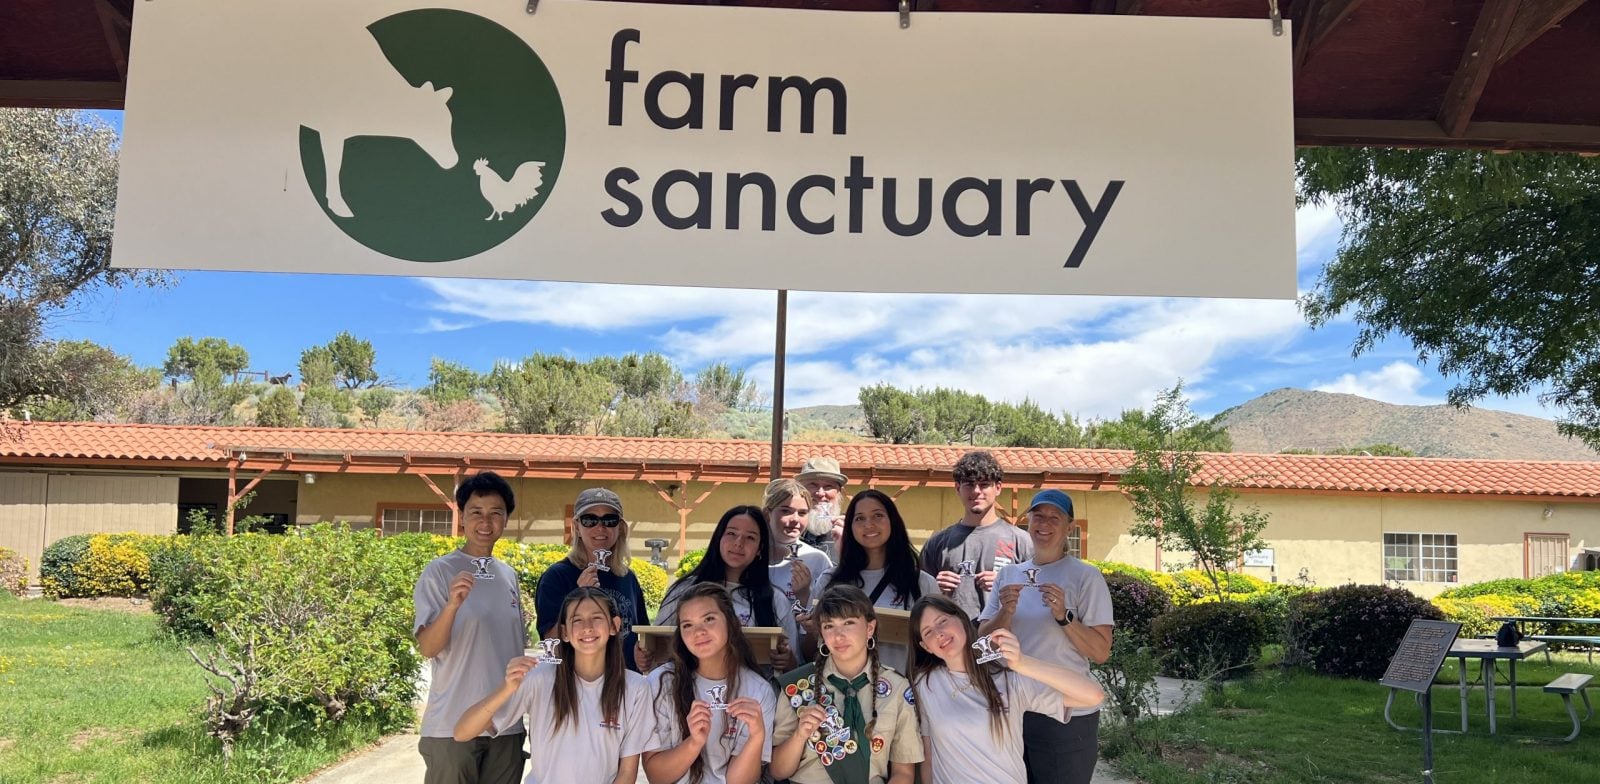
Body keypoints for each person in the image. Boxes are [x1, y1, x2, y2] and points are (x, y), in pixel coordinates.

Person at [977, 489, 1114, 784]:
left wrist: (1064, 616)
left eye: (1055, 517)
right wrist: (1006, 613)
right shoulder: (1008, 575)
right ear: (1028, 521)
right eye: (1038, 516)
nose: (1044, 524)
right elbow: (982, 646)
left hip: (1067, 714)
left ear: (1069, 527)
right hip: (1013, 710)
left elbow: (1101, 652)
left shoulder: (1086, 577)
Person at [454, 587, 656, 783]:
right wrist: (506, 688)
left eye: (597, 618)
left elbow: (627, 772)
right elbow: (462, 732)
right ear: (564, 632)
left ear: (614, 625)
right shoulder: (539, 678)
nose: (587, 627)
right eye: (577, 620)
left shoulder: (636, 688)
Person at [908, 595, 1105, 784]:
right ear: (926, 647)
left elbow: (1093, 695)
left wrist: (1023, 663)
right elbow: (929, 754)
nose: (938, 633)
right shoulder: (925, 684)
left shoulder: (1008, 678)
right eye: (928, 632)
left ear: (961, 618)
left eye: (942, 621)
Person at [412, 470, 527, 784]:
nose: (485, 522)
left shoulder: (508, 575)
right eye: (476, 512)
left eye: (496, 513)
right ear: (462, 517)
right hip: (451, 726)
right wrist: (452, 605)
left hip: (505, 725)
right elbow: (428, 648)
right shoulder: (439, 571)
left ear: (506, 520)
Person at [771, 585, 922, 784]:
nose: (838, 635)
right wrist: (800, 735)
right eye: (828, 626)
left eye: (848, 623)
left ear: (870, 628)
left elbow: (903, 773)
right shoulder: (799, 685)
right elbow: (777, 771)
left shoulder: (897, 688)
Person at [643, 582, 777, 784]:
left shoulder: (758, 690)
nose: (698, 632)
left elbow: (740, 782)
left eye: (709, 619)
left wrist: (757, 736)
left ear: (731, 623)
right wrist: (694, 742)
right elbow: (656, 776)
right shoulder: (662, 683)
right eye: (687, 625)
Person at [648, 506, 797, 672]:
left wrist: (788, 661)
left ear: (760, 549)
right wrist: (645, 655)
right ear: (718, 538)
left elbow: (795, 665)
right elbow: (656, 644)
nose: (738, 543)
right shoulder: (684, 591)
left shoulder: (776, 600)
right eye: (731, 534)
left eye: (750, 538)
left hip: (755, 696)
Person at [812, 489, 940, 671]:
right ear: (850, 527)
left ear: (893, 521)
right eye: (859, 518)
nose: (869, 525)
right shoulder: (829, 581)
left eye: (877, 515)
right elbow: (814, 646)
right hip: (841, 691)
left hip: (902, 691)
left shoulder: (922, 583)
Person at [535, 487, 651, 671]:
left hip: (625, 688)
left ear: (620, 528)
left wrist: (644, 655)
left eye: (609, 520)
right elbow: (552, 645)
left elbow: (642, 636)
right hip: (578, 686)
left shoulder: (627, 578)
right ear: (577, 527)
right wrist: (577, 597)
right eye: (589, 520)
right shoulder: (556, 577)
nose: (600, 527)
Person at [920, 450, 1032, 620]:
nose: (976, 491)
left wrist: (1008, 587)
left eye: (984, 484)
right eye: (969, 484)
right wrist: (933, 588)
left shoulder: (1022, 542)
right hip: (950, 641)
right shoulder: (937, 543)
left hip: (1003, 641)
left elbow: (1039, 598)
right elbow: (918, 600)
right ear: (958, 488)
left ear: (998, 488)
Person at [763, 478, 833, 655]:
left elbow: (826, 630)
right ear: (766, 514)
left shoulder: (818, 560)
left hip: (800, 670)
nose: (795, 520)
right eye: (786, 511)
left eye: (802, 513)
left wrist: (805, 596)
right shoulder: (749, 556)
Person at [795, 456, 849, 560]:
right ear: (801, 491)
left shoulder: (851, 530)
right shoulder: (788, 528)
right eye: (812, 485)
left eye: (828, 486)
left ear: (839, 492)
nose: (820, 493)